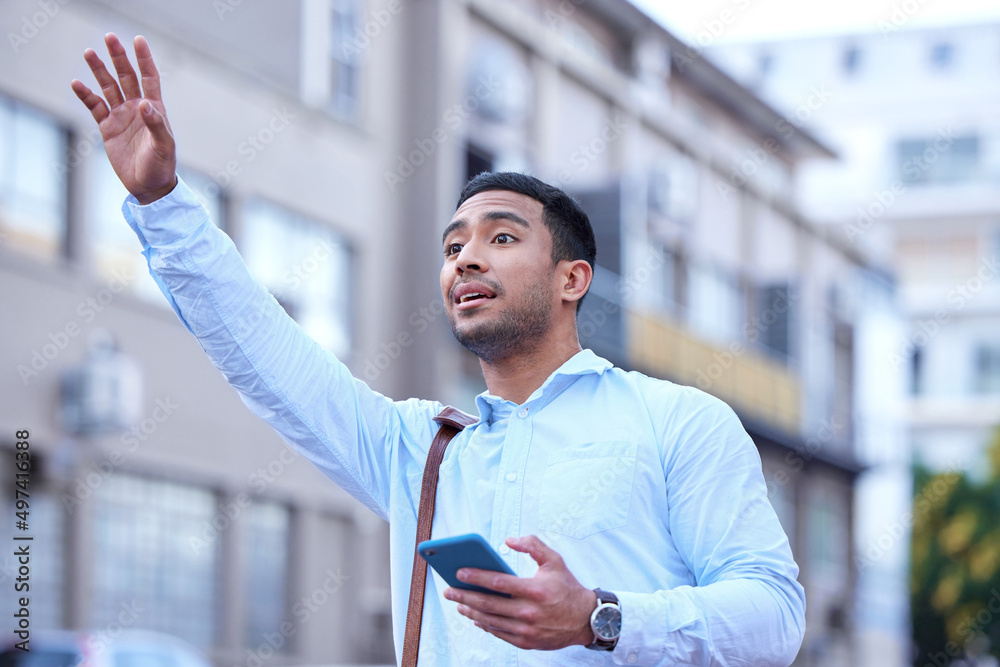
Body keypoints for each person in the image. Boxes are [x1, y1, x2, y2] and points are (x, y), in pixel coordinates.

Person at [72, 33, 806, 666]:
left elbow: (775, 615)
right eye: (453, 245)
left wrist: (599, 616)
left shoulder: (677, 421)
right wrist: (163, 205)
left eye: (502, 237)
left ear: (572, 279)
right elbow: (266, 355)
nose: (466, 259)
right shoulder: (422, 451)